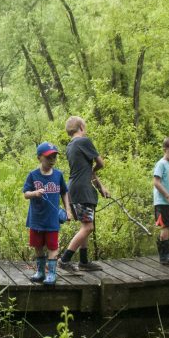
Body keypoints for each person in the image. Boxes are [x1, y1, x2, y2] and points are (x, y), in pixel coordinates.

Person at [59, 116, 106, 271]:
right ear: (81, 127)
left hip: (74, 189)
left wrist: (100, 187)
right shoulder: (84, 141)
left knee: (85, 224)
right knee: (88, 227)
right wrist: (95, 169)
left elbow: (85, 171)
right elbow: (100, 163)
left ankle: (84, 261)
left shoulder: (70, 146)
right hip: (82, 190)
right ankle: (64, 260)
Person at [23, 142, 70, 286]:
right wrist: (35, 193)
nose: (52, 160)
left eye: (54, 157)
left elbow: (64, 192)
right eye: (48, 157)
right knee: (37, 246)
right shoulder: (33, 175)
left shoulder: (58, 175)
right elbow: (25, 194)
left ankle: (51, 274)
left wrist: (68, 210)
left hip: (52, 219)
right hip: (36, 219)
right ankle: (40, 272)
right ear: (39, 158)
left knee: (52, 247)